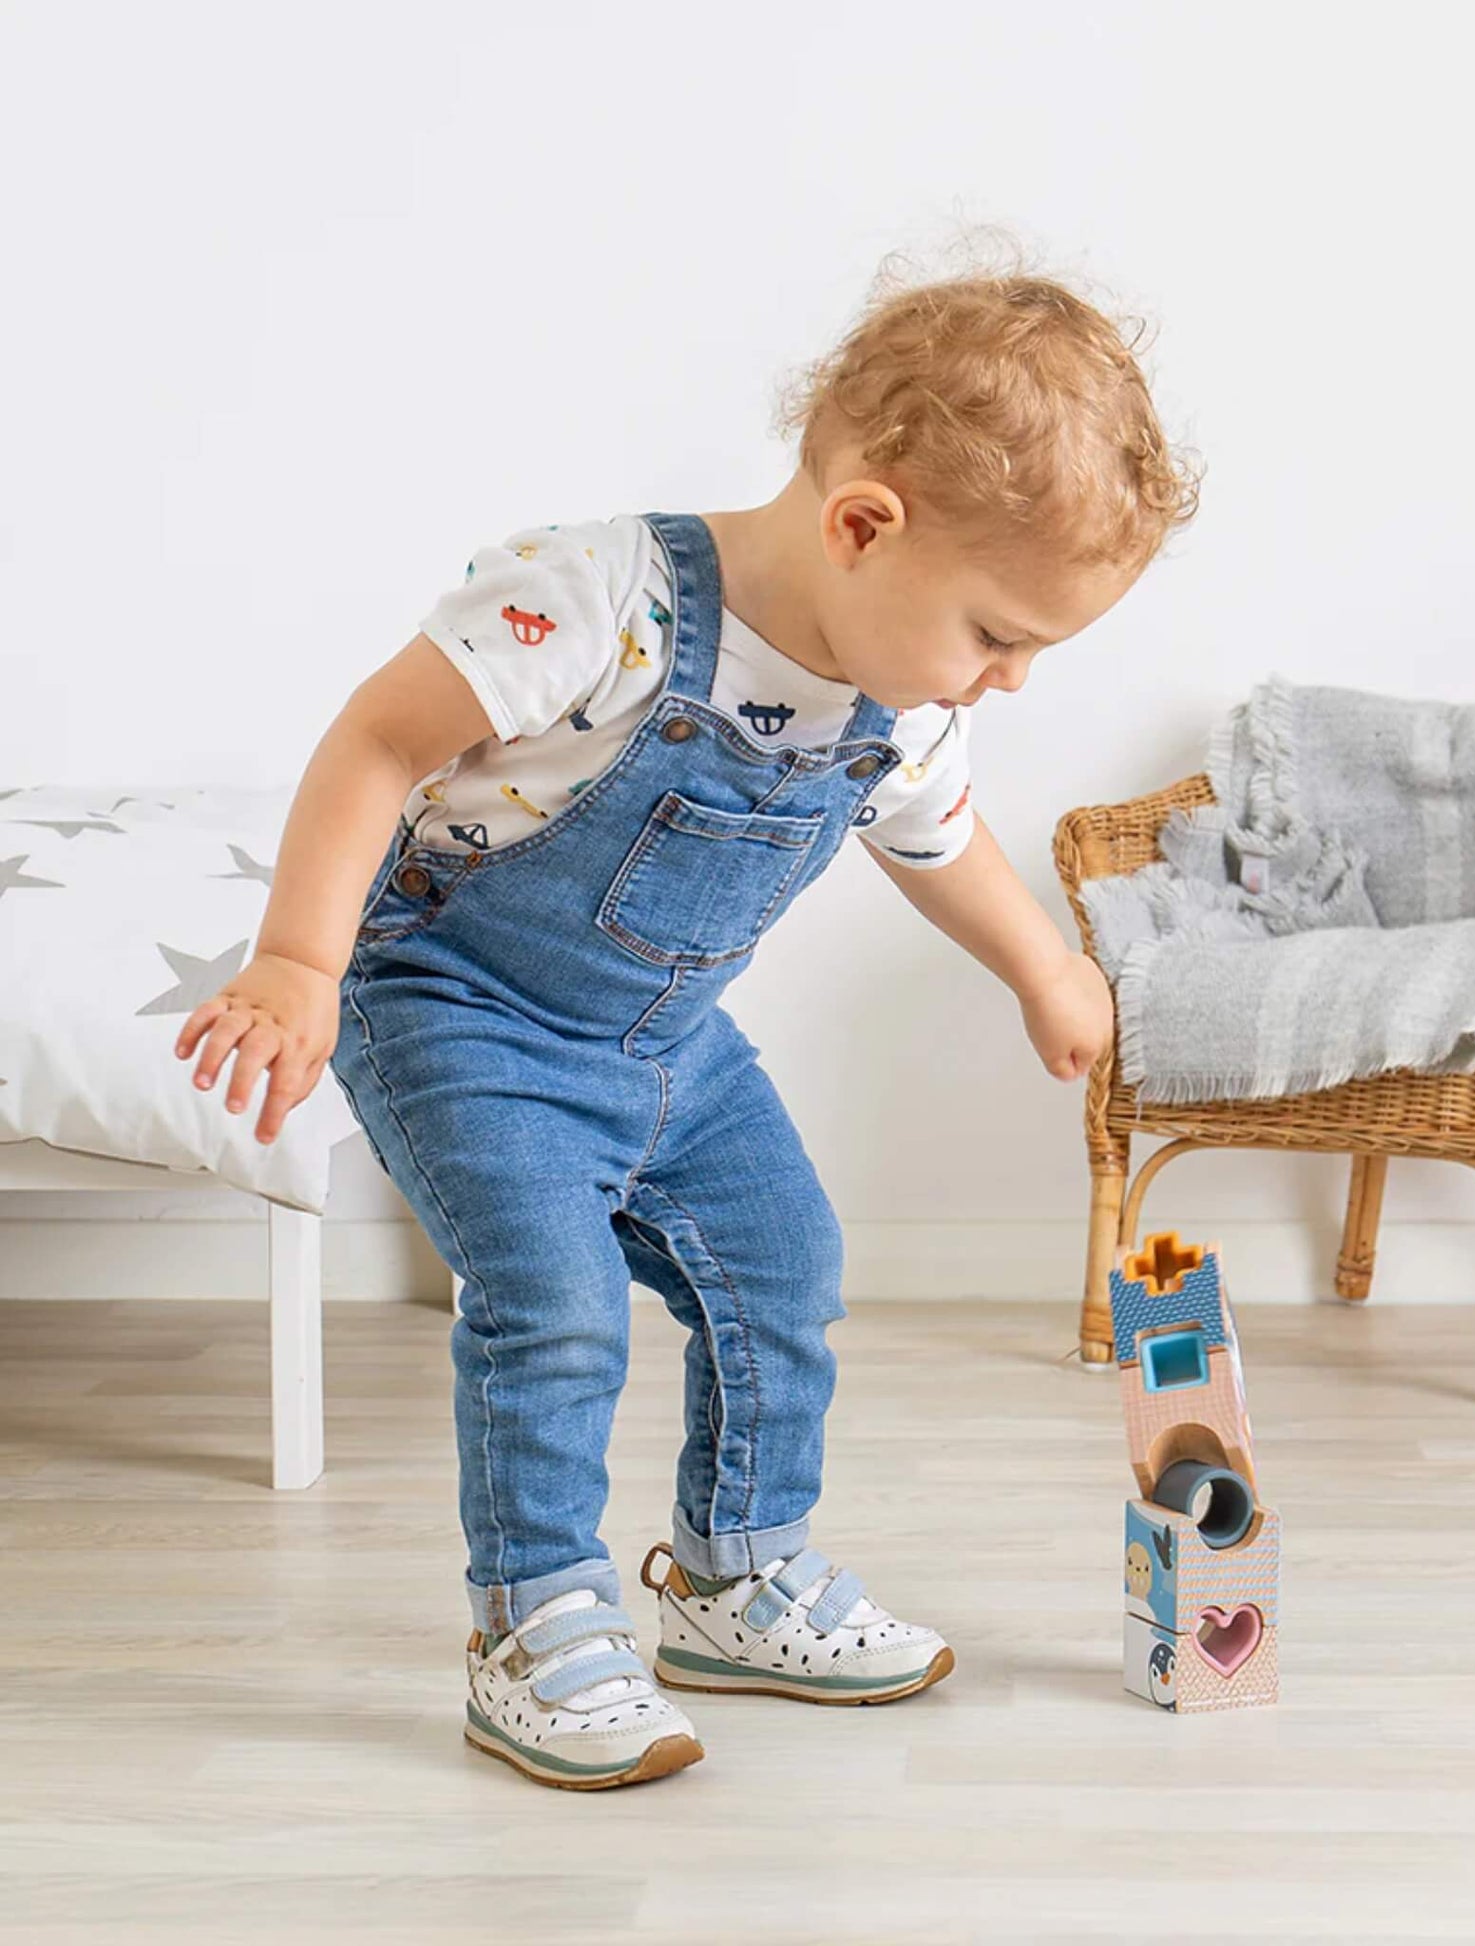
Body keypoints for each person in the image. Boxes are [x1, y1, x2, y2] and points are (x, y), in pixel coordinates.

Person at [174, 244, 1201, 1789]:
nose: (1007, 681)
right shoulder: (597, 601)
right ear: (866, 525)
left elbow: (939, 841)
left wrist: (1045, 968)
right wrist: (300, 963)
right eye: (998, 633)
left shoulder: (891, 696)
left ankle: (733, 1575)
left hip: (665, 1045)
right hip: (462, 1012)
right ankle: (533, 1622)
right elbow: (379, 742)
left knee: (783, 1261)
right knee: (556, 1302)